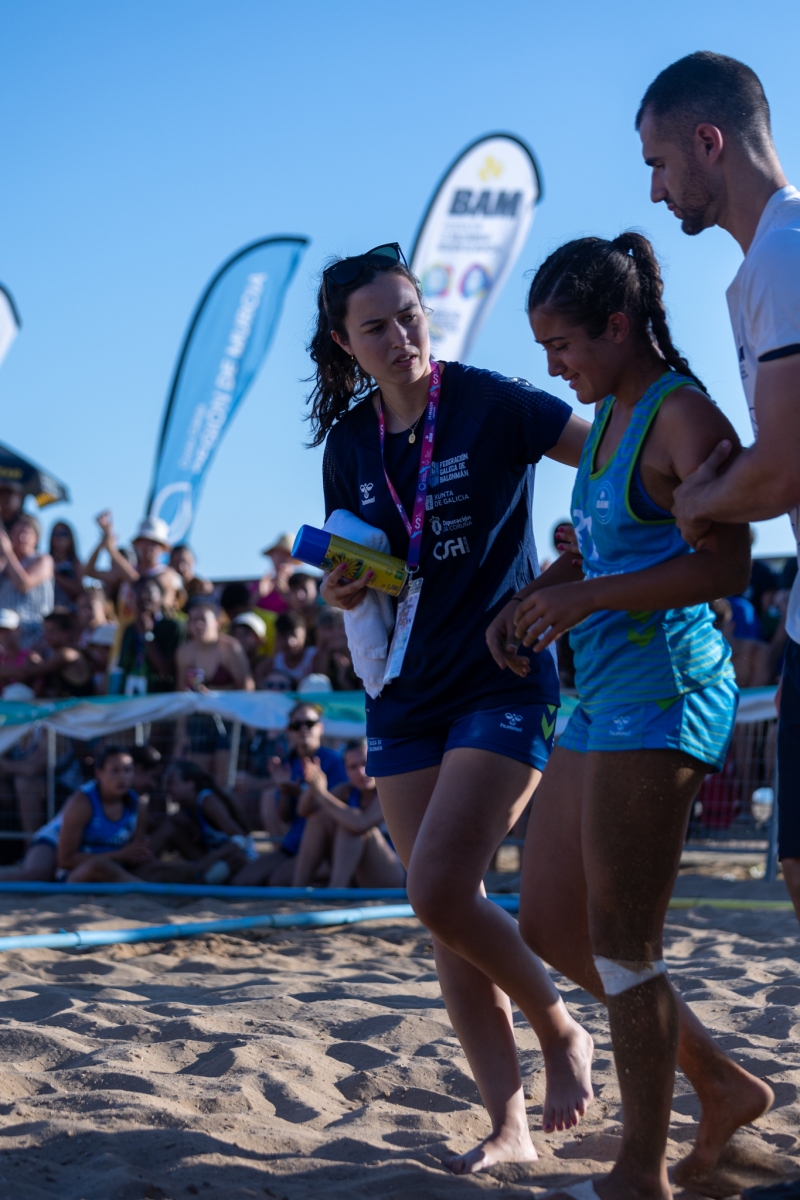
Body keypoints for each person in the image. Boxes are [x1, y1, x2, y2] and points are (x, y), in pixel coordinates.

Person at [488, 232, 773, 1200]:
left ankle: (638, 1174)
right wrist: (539, 596)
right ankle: (720, 1083)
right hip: (602, 693)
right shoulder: (608, 410)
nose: (551, 366)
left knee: (621, 943)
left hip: (665, 695)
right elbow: (611, 550)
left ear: (617, 326)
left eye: (561, 345)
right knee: (547, 920)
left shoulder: (679, 414)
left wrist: (585, 598)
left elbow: (728, 566)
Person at [312, 241, 593, 1172]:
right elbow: (358, 561)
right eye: (376, 327)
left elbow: (610, 463)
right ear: (346, 343)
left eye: (410, 315)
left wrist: (576, 563)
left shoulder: (491, 400)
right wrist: (342, 587)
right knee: (448, 912)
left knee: (434, 888)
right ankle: (508, 1127)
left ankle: (560, 1029)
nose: (401, 337)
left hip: (501, 677)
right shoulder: (350, 444)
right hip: (403, 690)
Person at [635, 53, 800, 928]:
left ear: (709, 142)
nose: (656, 190)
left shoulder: (785, 255)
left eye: (661, 163)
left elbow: (784, 469)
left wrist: (694, 503)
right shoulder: (773, 258)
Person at [237, 702, 347, 885]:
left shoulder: (334, 761)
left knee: (278, 882)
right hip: (294, 844)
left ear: (320, 728)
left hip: (323, 847)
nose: (303, 729)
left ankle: (330, 874)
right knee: (243, 881)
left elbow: (338, 807)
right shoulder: (288, 762)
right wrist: (285, 791)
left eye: (309, 724)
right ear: (289, 731)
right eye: (296, 725)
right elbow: (285, 817)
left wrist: (302, 792)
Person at [293, 738, 405, 888]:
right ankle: (298, 889)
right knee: (320, 818)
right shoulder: (346, 790)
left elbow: (361, 824)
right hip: (356, 872)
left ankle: (335, 891)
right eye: (353, 767)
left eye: (365, 763)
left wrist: (321, 794)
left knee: (352, 828)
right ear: (346, 771)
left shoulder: (389, 790)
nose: (361, 772)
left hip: (394, 872)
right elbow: (304, 811)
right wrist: (313, 787)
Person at [175, 599, 254, 782]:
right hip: (199, 721)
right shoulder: (184, 652)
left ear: (217, 622)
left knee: (223, 780)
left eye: (203, 619)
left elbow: (247, 690)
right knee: (198, 778)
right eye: (193, 620)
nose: (197, 625)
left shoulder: (231, 648)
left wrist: (215, 696)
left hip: (229, 720)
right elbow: (181, 693)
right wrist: (181, 735)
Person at [146, 759, 256, 884]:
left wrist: (210, 859)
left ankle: (201, 880)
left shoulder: (207, 800)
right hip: (211, 857)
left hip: (236, 860)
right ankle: (144, 864)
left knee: (234, 859)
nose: (166, 789)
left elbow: (241, 839)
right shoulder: (186, 806)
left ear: (190, 784)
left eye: (171, 783)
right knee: (170, 827)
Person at [57, 745, 151, 883]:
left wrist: (140, 854)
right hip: (78, 877)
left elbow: (133, 857)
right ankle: (144, 890)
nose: (122, 777)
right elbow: (65, 860)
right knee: (98, 866)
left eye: (127, 770)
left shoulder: (139, 805)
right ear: (99, 773)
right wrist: (118, 855)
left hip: (121, 874)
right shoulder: (81, 803)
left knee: (169, 868)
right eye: (115, 771)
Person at [0, 608, 94, 698]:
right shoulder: (56, 653)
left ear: (67, 632)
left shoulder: (66, 654)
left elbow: (26, 673)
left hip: (83, 708)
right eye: (45, 630)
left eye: (52, 630)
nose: (46, 635)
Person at [118, 576, 182, 694]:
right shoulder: (130, 629)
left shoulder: (172, 627)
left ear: (161, 597)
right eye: (138, 592)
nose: (143, 596)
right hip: (130, 693)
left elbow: (167, 671)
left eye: (149, 592)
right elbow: (123, 665)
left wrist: (147, 634)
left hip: (159, 695)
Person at [0, 513, 54, 648]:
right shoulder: (5, 562)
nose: (22, 538)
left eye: (26, 533)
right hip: (5, 631)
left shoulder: (43, 560)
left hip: (34, 633)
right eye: (17, 533)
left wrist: (7, 552)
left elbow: (23, 583)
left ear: (37, 537)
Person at [262, 611, 315, 688]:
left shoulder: (315, 657)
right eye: (284, 636)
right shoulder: (273, 663)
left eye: (294, 635)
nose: (290, 642)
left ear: (305, 633)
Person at [252, 534, 297, 613]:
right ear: (272, 556)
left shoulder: (300, 585)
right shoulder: (259, 586)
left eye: (287, 554)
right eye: (279, 553)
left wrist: (286, 594)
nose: (283, 557)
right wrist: (258, 595)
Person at [49, 520, 84, 607]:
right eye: (55, 534)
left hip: (69, 609)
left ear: (70, 538)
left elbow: (79, 590)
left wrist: (56, 576)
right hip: (47, 609)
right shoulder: (46, 561)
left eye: (64, 534)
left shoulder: (75, 563)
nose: (59, 538)